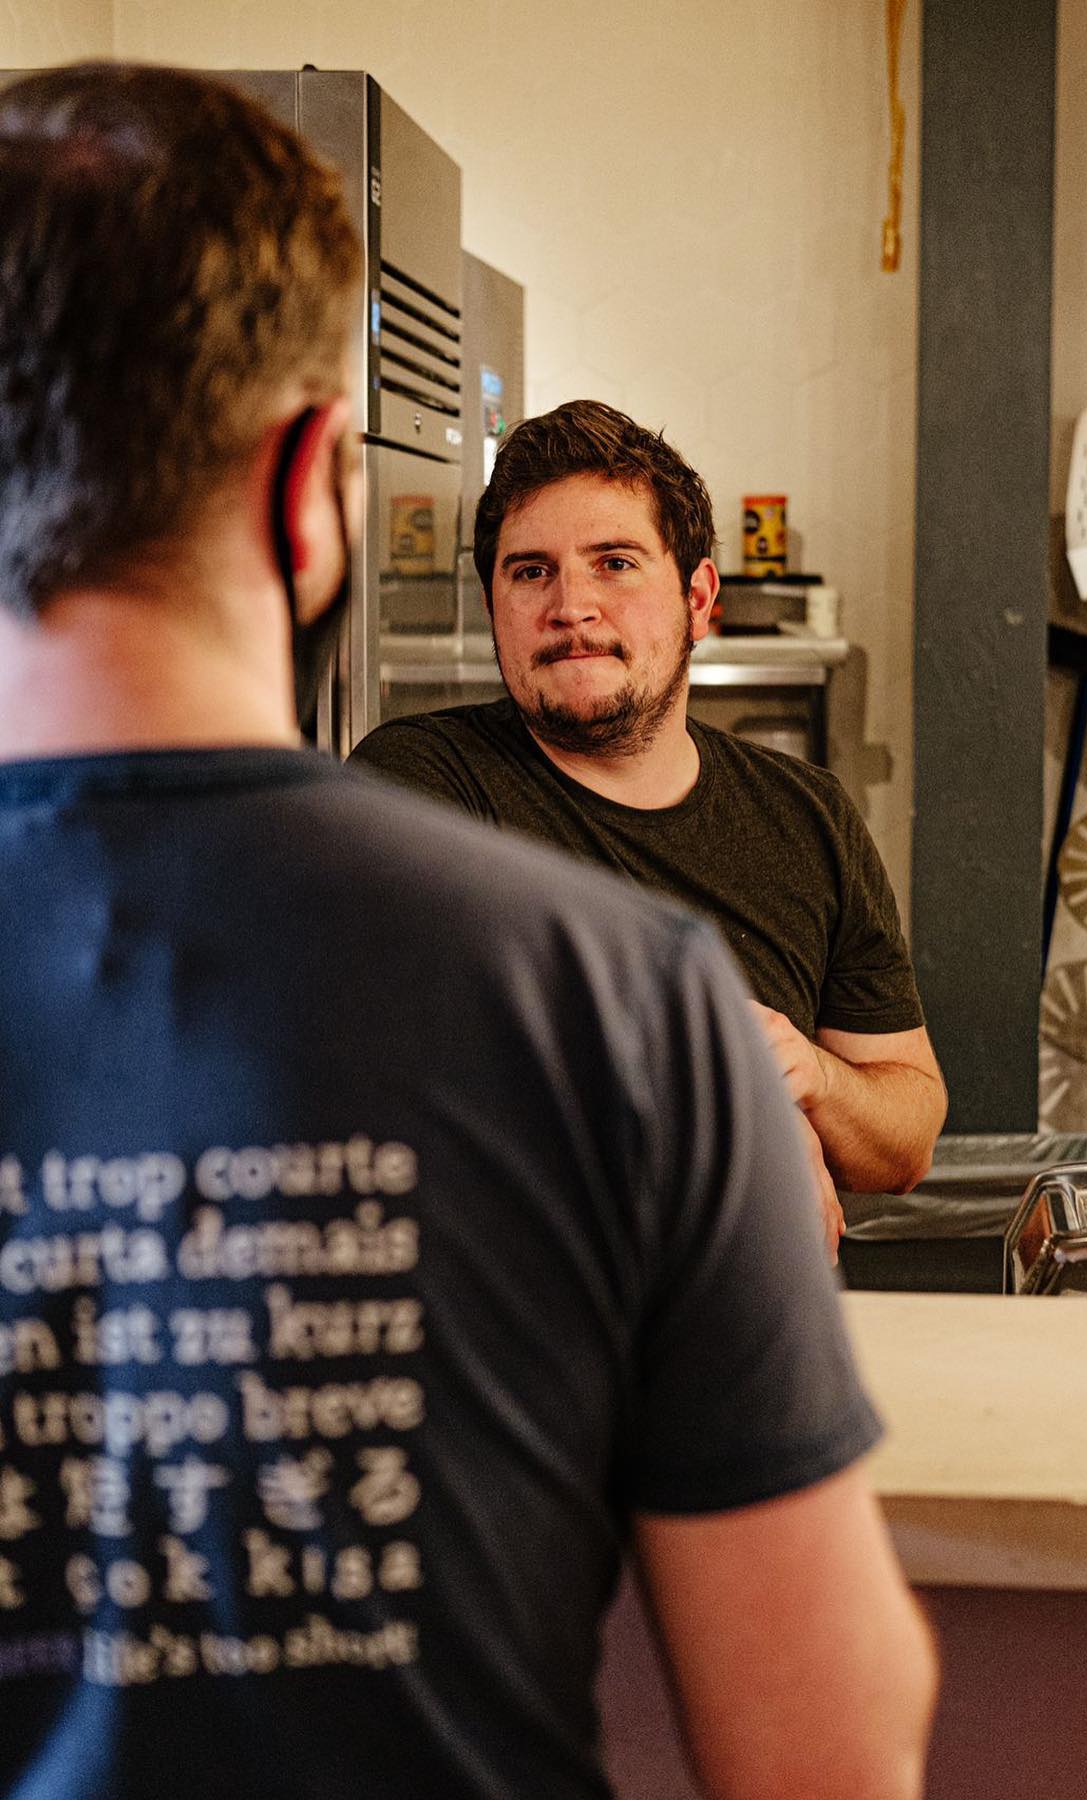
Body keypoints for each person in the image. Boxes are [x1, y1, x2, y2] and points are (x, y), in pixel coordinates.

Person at [0, 62, 936, 1800]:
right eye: (532, 570)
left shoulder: (744, 869)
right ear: (314, 494)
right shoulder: (622, 995)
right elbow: (827, 1747)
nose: (572, 606)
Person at [350, 401, 949, 1250]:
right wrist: (741, 1127)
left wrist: (811, 1076)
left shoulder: (808, 816)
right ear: (493, 606)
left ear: (698, 599)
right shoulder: (420, 788)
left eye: (615, 564)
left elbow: (908, 1137)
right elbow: (415, 1094)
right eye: (531, 572)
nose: (571, 606)